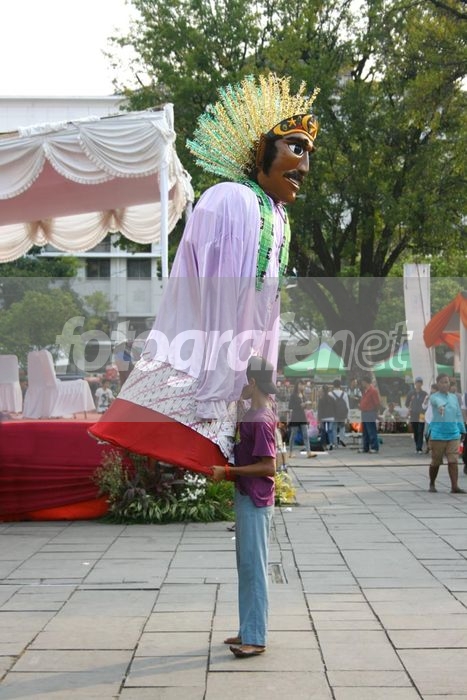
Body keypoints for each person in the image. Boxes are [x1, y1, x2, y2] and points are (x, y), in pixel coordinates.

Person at [88, 74, 320, 473]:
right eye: (296, 148)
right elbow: (220, 297)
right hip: (207, 375)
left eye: (309, 154)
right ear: (261, 150)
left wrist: (255, 383)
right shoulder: (230, 200)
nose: (305, 167)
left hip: (236, 382)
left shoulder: (278, 216)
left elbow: (267, 311)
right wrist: (218, 386)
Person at [211, 356, 277, 658]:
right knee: (246, 567)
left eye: (242, 381)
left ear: (252, 382)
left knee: (255, 568)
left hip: (256, 499)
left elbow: (269, 466)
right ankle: (247, 628)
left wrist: (229, 472)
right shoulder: (253, 413)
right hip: (247, 495)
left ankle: (256, 638)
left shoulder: (261, 419)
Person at [428, 373, 466, 494]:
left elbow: (458, 414)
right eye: (442, 382)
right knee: (436, 461)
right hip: (438, 434)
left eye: (447, 382)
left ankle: (454, 486)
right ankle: (432, 483)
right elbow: (437, 401)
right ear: (438, 384)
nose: (445, 384)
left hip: (453, 433)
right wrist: (440, 406)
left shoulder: (453, 397)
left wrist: (462, 430)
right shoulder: (434, 397)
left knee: (453, 460)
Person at [288, 380, 317, 458]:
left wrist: (307, 404)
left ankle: (308, 452)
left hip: (302, 416)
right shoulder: (293, 395)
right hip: (295, 416)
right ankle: (290, 452)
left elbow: (305, 405)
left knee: (306, 434)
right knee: (293, 434)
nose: (302, 386)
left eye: (303, 385)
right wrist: (300, 405)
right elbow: (290, 406)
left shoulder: (303, 395)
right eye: (300, 384)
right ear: (297, 385)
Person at [405, 377, 428, 454]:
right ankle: (417, 446)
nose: (418, 384)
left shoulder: (424, 394)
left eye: (420, 383)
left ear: (422, 384)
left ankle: (419, 447)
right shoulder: (411, 393)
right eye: (417, 382)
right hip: (413, 414)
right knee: (415, 430)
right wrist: (410, 407)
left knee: (420, 430)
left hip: (421, 414)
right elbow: (406, 403)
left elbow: (427, 404)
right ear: (415, 384)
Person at [358, 375, 380, 453]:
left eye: (363, 382)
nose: (362, 384)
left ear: (365, 382)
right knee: (365, 431)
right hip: (364, 412)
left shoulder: (373, 391)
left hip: (370, 412)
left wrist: (376, 413)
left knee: (371, 430)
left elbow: (377, 403)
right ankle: (365, 447)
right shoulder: (365, 391)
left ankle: (374, 447)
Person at [329, 379, 349, 446]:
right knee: (342, 427)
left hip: (333, 414)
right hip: (342, 414)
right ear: (340, 385)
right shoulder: (344, 394)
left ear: (333, 385)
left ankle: (335, 442)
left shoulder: (330, 394)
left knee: (334, 428)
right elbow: (347, 405)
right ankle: (342, 439)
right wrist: (347, 416)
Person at [317, 384, 337, 449]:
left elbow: (320, 410)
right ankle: (331, 444)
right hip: (331, 417)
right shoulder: (332, 398)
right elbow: (335, 408)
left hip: (323, 417)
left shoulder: (321, 399)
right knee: (330, 430)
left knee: (323, 431)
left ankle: (324, 445)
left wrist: (319, 419)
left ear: (323, 391)